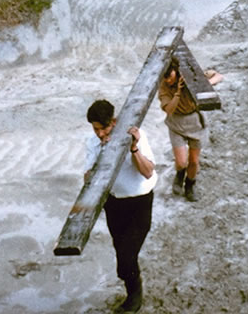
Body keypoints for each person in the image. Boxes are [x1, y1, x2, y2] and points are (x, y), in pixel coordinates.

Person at [84, 99, 156, 313]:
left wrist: (134, 148)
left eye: (103, 128)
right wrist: (102, 153)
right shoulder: (92, 142)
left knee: (126, 256)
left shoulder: (136, 135)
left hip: (139, 202)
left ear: (114, 122)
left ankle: (135, 294)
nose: (99, 133)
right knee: (120, 249)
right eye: (95, 129)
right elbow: (87, 178)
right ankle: (132, 286)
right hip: (114, 203)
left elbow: (148, 171)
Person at [158, 57, 209, 203]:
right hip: (176, 123)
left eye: (170, 76)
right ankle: (179, 175)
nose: (168, 80)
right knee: (181, 162)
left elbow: (216, 76)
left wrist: (201, 84)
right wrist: (178, 92)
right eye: (165, 77)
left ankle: (190, 186)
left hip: (194, 121)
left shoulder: (189, 78)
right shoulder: (163, 86)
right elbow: (169, 109)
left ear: (176, 71)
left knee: (193, 161)